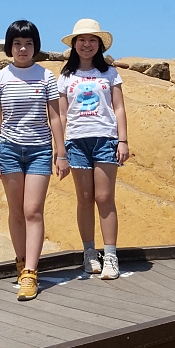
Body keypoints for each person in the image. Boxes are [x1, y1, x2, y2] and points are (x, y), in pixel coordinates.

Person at [0, 20, 69, 301]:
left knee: (33, 210)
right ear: (10, 46)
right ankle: (21, 262)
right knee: (16, 211)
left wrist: (61, 153)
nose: (23, 49)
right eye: (18, 44)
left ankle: (31, 273)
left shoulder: (46, 77)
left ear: (36, 46)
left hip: (39, 150)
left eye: (29, 43)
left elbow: (56, 116)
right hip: (8, 150)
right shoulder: (0, 78)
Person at [58, 18, 129, 280]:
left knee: (104, 198)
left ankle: (110, 255)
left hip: (105, 140)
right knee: (85, 199)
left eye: (91, 40)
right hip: (76, 141)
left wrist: (123, 140)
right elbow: (61, 115)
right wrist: (60, 150)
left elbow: (119, 107)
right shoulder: (65, 76)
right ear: (74, 45)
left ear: (99, 45)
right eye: (81, 40)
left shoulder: (109, 73)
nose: (86, 45)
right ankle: (89, 253)